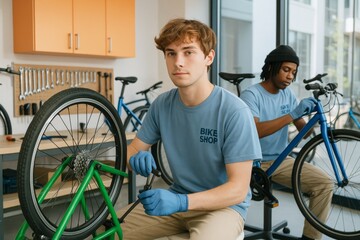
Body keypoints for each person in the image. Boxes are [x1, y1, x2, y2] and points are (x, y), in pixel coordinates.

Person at [115, 18, 262, 240]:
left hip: (222, 208)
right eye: (171, 53)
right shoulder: (162, 105)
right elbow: (133, 149)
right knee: (106, 232)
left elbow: (238, 189)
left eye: (188, 52)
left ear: (208, 57)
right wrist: (135, 158)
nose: (178, 62)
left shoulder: (234, 111)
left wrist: (182, 202)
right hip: (177, 200)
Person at [240, 45, 333, 240]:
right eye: (286, 70)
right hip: (253, 163)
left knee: (324, 184)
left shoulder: (288, 94)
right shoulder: (252, 95)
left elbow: (304, 133)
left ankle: (310, 238)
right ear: (272, 68)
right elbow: (254, 131)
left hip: (281, 161)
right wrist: (291, 114)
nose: (290, 76)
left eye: (294, 72)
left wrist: (313, 115)